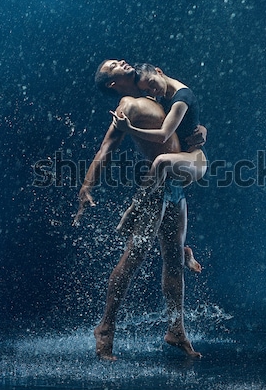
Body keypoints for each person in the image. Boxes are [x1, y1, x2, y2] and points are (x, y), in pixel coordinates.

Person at [73, 61, 206, 360]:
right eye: (113, 65)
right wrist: (87, 186)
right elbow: (106, 147)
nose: (121, 61)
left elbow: (185, 120)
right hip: (154, 189)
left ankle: (176, 330)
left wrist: (202, 131)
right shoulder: (128, 105)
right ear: (112, 83)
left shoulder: (154, 92)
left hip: (174, 187)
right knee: (133, 258)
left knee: (173, 259)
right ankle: (105, 328)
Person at [111, 63, 207, 235]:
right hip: (180, 161)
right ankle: (187, 256)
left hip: (196, 160)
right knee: (171, 243)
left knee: (162, 161)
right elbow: (192, 124)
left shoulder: (181, 97)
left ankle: (132, 210)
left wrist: (129, 129)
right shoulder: (163, 95)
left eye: (152, 84)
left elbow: (163, 135)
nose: (153, 92)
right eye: (148, 90)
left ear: (159, 72)